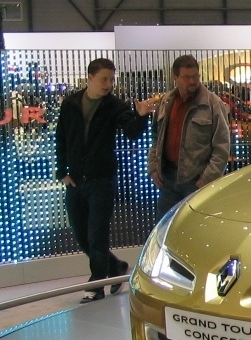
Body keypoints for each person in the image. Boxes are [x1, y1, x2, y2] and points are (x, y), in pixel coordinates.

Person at [55, 58, 156, 302]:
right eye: (103, 79)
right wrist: (62, 172)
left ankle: (96, 286)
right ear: (90, 78)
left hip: (102, 180)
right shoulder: (71, 104)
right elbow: (61, 138)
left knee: (97, 236)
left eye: (111, 79)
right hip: (75, 180)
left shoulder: (115, 106)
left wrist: (142, 116)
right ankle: (116, 267)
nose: (108, 84)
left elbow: (132, 133)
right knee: (82, 236)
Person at [148, 55, 232, 218]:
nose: (192, 81)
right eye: (186, 77)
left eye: (195, 76)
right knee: (166, 227)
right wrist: (153, 166)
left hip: (196, 180)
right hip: (168, 179)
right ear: (175, 78)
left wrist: (208, 178)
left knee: (196, 227)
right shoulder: (166, 102)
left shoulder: (212, 103)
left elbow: (222, 145)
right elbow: (156, 138)